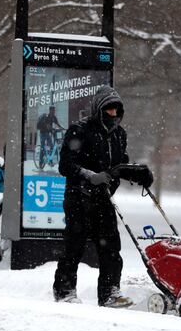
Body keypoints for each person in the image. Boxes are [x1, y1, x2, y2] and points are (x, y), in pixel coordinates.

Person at [53, 86, 133, 307]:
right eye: (109, 110)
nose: (114, 115)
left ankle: (110, 293)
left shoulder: (119, 134)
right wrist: (90, 176)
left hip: (103, 200)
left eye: (117, 110)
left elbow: (120, 165)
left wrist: (137, 174)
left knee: (111, 248)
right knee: (74, 246)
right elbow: (65, 165)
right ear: (99, 109)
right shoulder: (79, 130)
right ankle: (65, 291)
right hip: (78, 197)